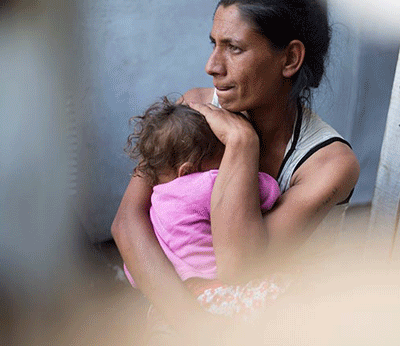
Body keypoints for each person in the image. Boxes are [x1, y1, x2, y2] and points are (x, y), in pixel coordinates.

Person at [111, 0, 360, 335]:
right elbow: (127, 222)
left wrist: (242, 144)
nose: (212, 65)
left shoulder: (329, 164)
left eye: (234, 48)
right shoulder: (194, 111)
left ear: (290, 59)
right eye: (213, 44)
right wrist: (194, 327)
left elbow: (237, 265)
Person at [121, 96, 283, 316]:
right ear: (187, 170)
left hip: (179, 303)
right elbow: (269, 191)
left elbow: (132, 273)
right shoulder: (205, 183)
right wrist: (241, 151)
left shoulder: (154, 204)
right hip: (221, 292)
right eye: (220, 158)